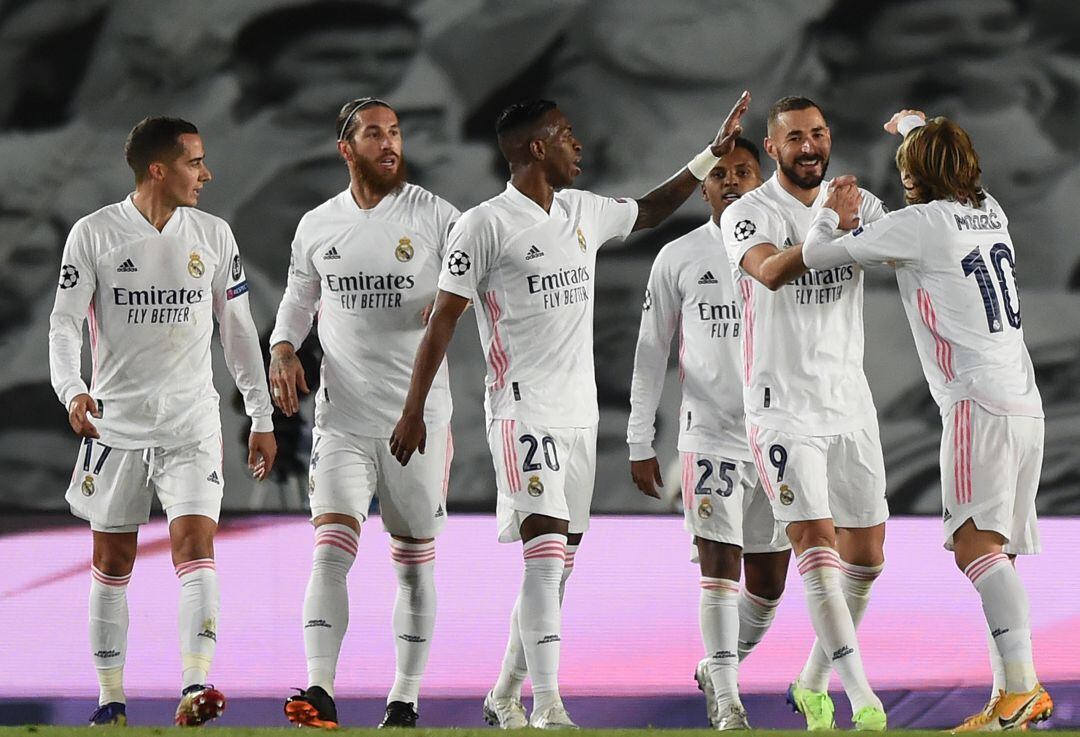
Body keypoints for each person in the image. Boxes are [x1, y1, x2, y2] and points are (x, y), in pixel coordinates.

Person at [389, 91, 751, 729]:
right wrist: (413, 407)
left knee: (556, 571)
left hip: (581, 417)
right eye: (565, 134)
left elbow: (648, 210)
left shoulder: (582, 210)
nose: (576, 144)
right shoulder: (483, 226)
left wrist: (706, 158)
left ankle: (503, 694)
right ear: (537, 147)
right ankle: (548, 704)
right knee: (546, 554)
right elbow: (443, 320)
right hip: (523, 413)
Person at [801, 110, 1053, 732]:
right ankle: (1007, 702)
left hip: (974, 403)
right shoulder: (987, 209)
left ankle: (1022, 688)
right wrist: (916, 126)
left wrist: (834, 209)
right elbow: (913, 234)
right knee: (999, 553)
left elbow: (816, 253)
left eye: (907, 169)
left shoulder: (923, 223)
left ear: (917, 176)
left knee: (974, 547)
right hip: (1024, 402)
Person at [47, 116, 276, 726]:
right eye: (195, 162)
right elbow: (65, 322)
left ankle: (195, 688)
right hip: (113, 426)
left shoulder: (215, 235)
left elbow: (238, 333)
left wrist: (259, 414)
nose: (207, 173)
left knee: (195, 547)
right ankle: (109, 701)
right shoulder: (94, 235)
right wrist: (71, 389)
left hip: (191, 424)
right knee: (113, 561)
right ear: (158, 169)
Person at [270, 98, 459, 729]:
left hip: (418, 421)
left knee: (413, 563)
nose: (390, 144)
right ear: (346, 149)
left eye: (396, 133)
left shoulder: (437, 217)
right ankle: (319, 689)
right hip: (342, 420)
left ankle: (404, 698)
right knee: (331, 548)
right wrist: (282, 349)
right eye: (374, 134)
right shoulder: (318, 224)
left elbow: (470, 298)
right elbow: (299, 300)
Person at [719, 96, 889, 731]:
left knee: (867, 557)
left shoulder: (856, 201)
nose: (810, 146)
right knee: (814, 546)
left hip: (850, 403)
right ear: (773, 148)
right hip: (782, 408)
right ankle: (863, 700)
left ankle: (812, 681)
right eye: (796, 137)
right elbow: (769, 272)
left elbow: (898, 249)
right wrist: (830, 227)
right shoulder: (746, 212)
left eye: (818, 133)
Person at [627, 138, 791, 730]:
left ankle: (720, 665)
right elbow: (651, 353)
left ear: (761, 178)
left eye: (743, 172)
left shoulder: (788, 250)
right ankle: (727, 700)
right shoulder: (678, 256)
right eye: (719, 174)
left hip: (779, 434)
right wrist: (639, 440)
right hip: (710, 435)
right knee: (717, 564)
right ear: (703, 187)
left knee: (769, 585)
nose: (731, 182)